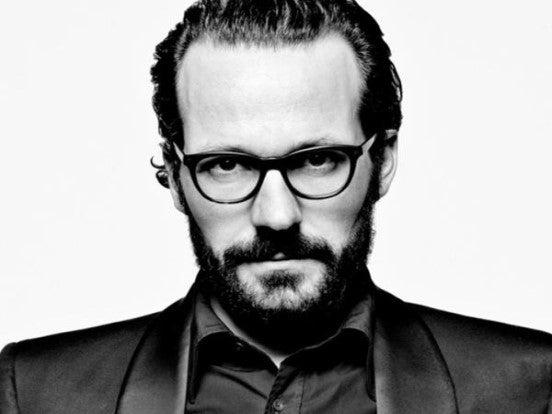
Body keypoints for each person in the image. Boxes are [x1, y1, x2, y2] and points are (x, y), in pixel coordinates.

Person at [1, 0, 551, 412]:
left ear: (382, 160)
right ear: (174, 175)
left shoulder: (531, 388)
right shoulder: (34, 394)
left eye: (316, 161)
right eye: (227, 165)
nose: (277, 215)